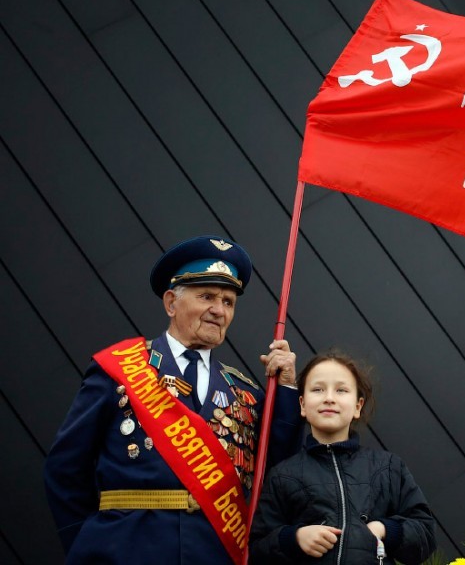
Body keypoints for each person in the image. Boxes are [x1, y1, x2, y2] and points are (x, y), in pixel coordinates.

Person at [44, 235, 302, 564]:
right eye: (207, 296)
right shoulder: (120, 370)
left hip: (212, 553)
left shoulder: (245, 392)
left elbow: (279, 472)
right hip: (125, 550)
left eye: (228, 302)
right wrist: (89, 544)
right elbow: (65, 468)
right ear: (171, 303)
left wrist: (286, 388)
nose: (219, 310)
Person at [249, 350, 437, 565]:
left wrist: (385, 529)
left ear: (358, 406)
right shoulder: (283, 475)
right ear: (302, 405)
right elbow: (257, 549)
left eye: (341, 390)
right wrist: (295, 538)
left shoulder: (388, 467)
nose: (329, 398)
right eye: (318, 389)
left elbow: (425, 534)